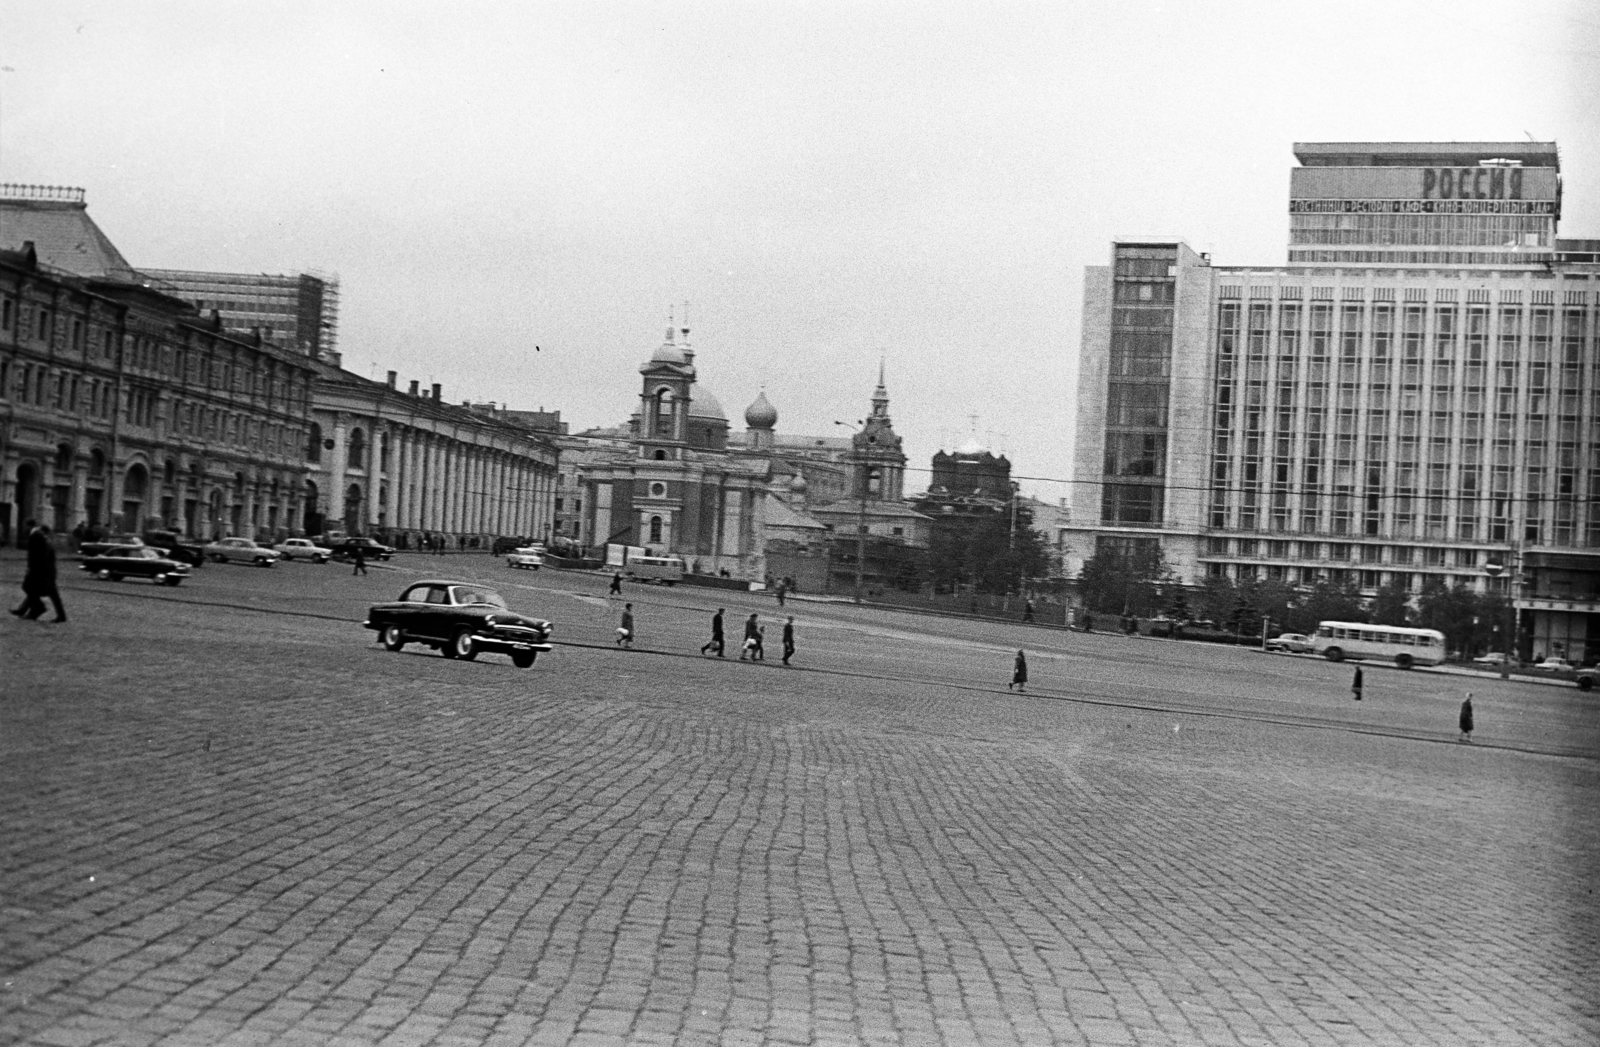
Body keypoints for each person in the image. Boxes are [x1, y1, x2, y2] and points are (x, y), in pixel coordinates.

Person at [12, 521, 66, 623]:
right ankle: (26, 611)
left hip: (44, 572)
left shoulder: (41, 539)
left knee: (31, 589)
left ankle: (38, 609)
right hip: (47, 572)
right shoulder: (45, 539)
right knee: (37, 591)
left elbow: (39, 557)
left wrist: (32, 569)